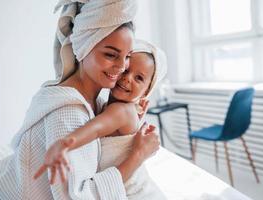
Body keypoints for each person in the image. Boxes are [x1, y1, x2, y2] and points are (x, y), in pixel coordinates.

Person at [0, 1, 160, 200]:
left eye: (128, 56)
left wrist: (132, 124)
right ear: (83, 46)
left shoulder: (90, 102)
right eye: (111, 55)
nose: (122, 67)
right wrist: (138, 155)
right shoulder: (68, 114)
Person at [33, 39, 168, 200]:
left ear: (146, 92)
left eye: (139, 78)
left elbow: (96, 128)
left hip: (138, 194)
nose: (128, 78)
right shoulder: (107, 107)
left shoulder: (122, 111)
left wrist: (65, 143)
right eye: (126, 71)